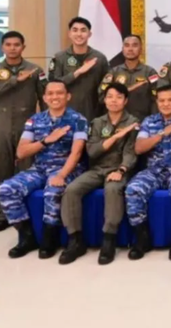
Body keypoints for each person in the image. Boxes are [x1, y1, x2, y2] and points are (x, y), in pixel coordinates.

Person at [0, 80, 87, 259]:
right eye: (50, 93)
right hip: (39, 169)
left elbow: (76, 153)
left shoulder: (78, 120)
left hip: (67, 168)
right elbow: (21, 152)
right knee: (6, 189)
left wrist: (61, 175)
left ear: (68, 96)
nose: (55, 97)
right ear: (44, 98)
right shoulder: (34, 120)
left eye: (59, 93)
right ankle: (26, 236)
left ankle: (49, 238)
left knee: (53, 190)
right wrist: (46, 140)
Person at [58, 83, 139, 265]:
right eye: (110, 96)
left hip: (119, 169)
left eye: (119, 97)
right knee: (72, 189)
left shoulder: (133, 123)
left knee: (112, 189)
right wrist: (114, 138)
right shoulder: (96, 123)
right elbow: (92, 152)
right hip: (97, 169)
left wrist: (121, 170)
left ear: (125, 100)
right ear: (104, 100)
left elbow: (131, 152)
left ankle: (108, 240)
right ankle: (75, 240)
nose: (114, 101)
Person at [0, 31, 46, 233]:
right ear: (2, 47)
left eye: (16, 44)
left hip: (27, 122)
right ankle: (2, 215)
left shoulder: (35, 69)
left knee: (28, 169)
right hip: (1, 122)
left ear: (23, 47)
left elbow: (44, 98)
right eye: (8, 44)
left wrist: (44, 124)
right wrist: (15, 81)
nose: (12, 48)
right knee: (2, 168)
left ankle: (27, 213)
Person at [126, 86, 171, 261]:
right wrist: (162, 133)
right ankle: (142, 240)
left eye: (170, 100)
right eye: (162, 100)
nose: (166, 104)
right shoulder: (149, 122)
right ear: (157, 102)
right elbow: (139, 148)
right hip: (154, 171)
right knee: (133, 189)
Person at [48, 17, 109, 121]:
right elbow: (53, 86)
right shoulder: (59, 58)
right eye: (75, 30)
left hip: (94, 115)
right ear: (69, 34)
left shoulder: (99, 58)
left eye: (83, 30)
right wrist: (78, 72)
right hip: (64, 115)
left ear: (89, 34)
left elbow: (106, 88)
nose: (79, 34)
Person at [99, 35, 158, 121]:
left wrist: (152, 121)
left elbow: (157, 100)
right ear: (122, 49)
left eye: (134, 45)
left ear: (141, 49)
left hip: (142, 122)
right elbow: (101, 97)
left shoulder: (150, 73)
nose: (130, 49)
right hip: (116, 122)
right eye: (127, 45)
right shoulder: (113, 72)